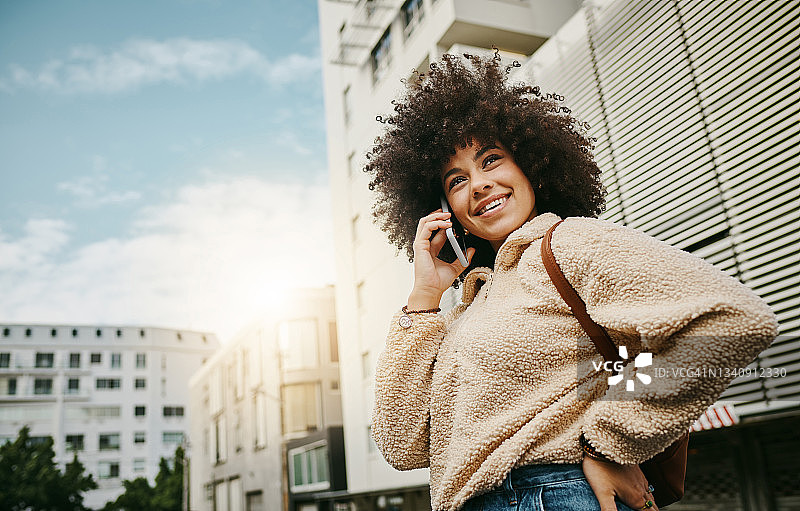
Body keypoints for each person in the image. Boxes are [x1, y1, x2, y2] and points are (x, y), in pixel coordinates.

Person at [366, 53, 778, 511]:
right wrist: (424, 297)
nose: (479, 184)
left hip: (555, 495)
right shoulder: (467, 307)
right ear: (444, 208)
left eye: (492, 160)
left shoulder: (568, 243)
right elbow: (401, 445)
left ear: (531, 166)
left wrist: (612, 445)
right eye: (457, 179)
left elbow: (732, 319)